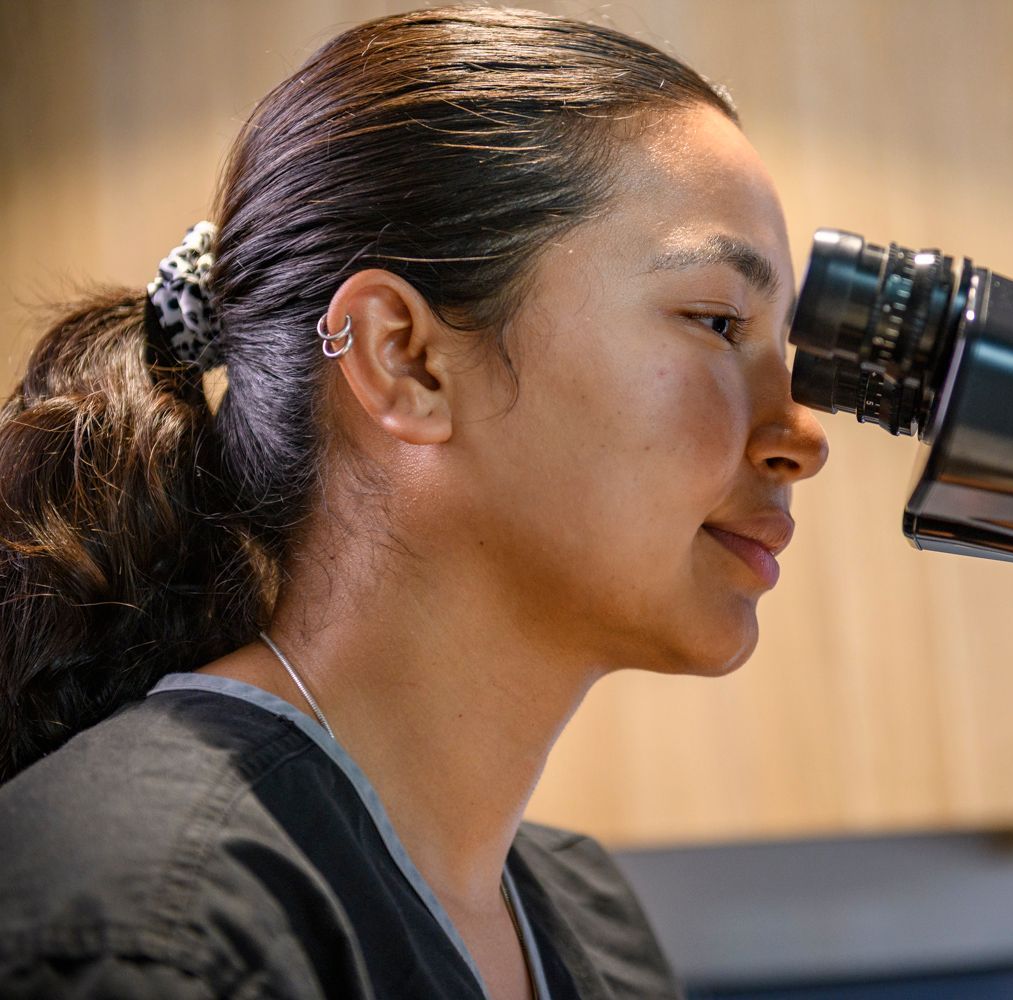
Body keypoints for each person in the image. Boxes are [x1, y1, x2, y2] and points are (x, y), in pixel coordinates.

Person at [0, 6, 828, 998]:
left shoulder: (592, 924)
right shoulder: (147, 925)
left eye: (780, 342)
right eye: (715, 320)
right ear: (406, 360)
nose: (801, 437)